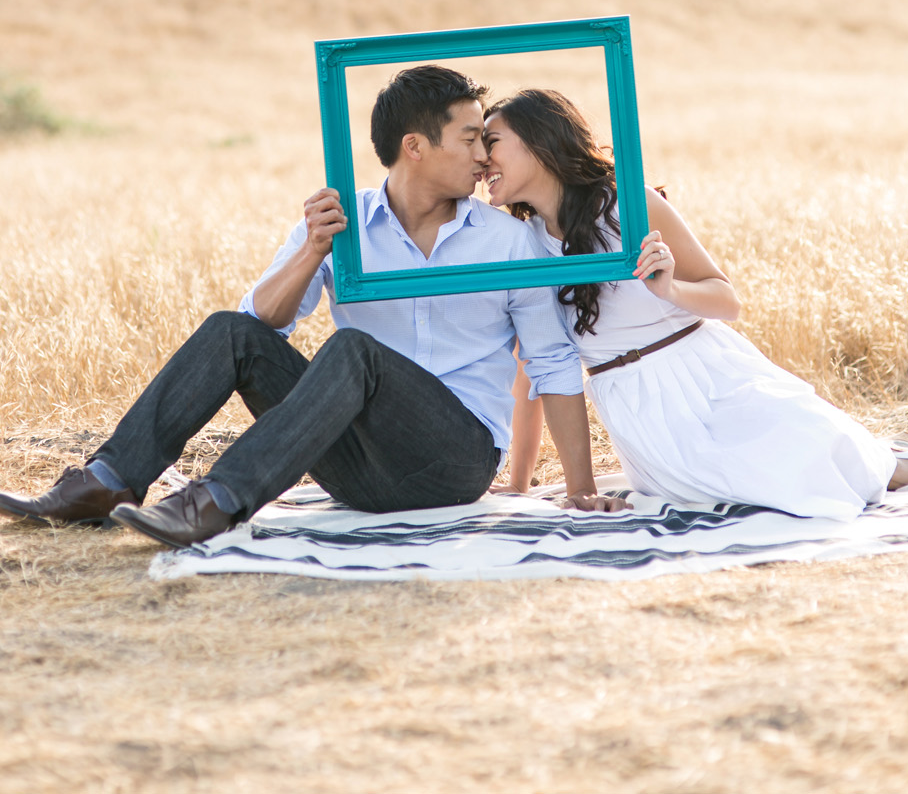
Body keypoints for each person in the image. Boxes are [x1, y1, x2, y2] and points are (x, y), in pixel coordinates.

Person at [0, 66, 621, 550]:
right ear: (416, 147)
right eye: (469, 139)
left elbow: (552, 364)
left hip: (450, 463)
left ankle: (214, 501)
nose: (484, 156)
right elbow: (259, 322)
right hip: (354, 466)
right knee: (230, 331)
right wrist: (312, 251)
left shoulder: (507, 241)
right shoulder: (339, 221)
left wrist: (581, 490)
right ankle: (103, 483)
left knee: (355, 351)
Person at [483, 88, 908, 519]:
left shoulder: (629, 204)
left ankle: (903, 461)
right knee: (725, 496)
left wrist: (669, 289)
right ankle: (868, 453)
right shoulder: (527, 244)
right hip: (636, 412)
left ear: (538, 143)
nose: (483, 160)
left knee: (816, 473)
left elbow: (726, 299)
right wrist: (528, 484)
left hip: (710, 377)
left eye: (492, 141)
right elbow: (539, 366)